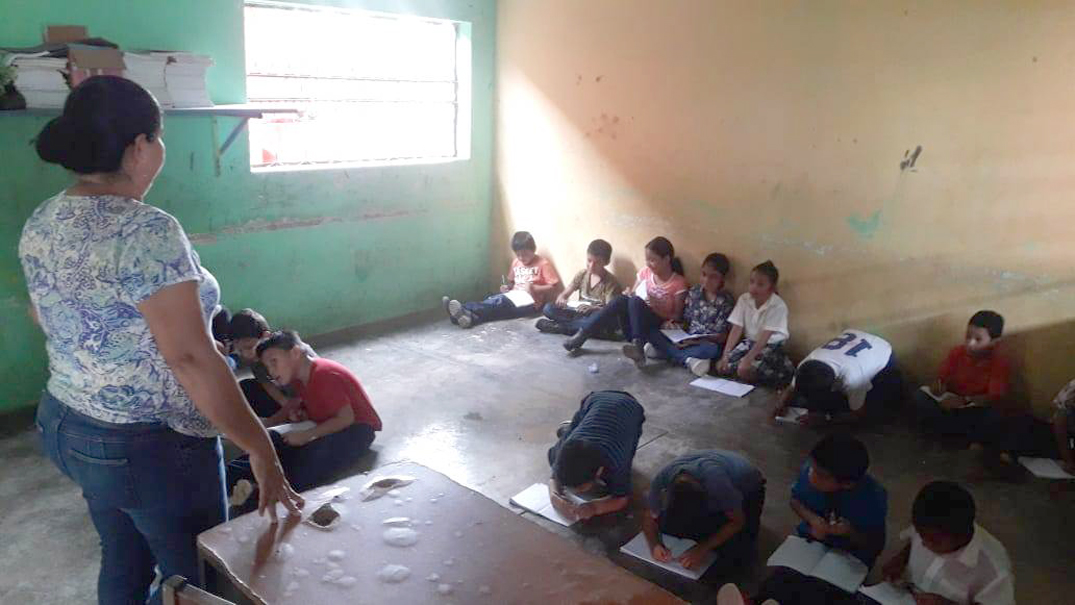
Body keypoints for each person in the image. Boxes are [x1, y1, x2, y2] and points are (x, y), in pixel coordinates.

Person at [19, 76, 301, 605]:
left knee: (123, 555)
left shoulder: (45, 218)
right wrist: (259, 447)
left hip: (68, 425)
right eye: (160, 136)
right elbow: (191, 358)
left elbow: (46, 315)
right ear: (140, 146)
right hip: (149, 445)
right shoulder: (147, 230)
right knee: (196, 577)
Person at [227, 330, 382, 509]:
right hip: (326, 423)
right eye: (267, 366)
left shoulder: (325, 373)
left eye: (274, 362)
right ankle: (227, 476)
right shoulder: (298, 380)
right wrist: (302, 415)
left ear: (295, 353)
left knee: (310, 458)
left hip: (357, 430)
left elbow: (346, 418)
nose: (271, 371)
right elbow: (317, 408)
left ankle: (257, 494)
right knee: (270, 441)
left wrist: (308, 434)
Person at [756, 434, 887, 605]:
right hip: (810, 546)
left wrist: (849, 532)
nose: (811, 475)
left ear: (847, 484)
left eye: (820, 474)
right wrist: (812, 519)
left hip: (849, 555)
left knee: (817, 596)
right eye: (812, 467)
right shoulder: (813, 470)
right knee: (773, 590)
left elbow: (873, 544)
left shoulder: (872, 499)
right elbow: (795, 501)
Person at [879, 481, 1014, 605]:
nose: (924, 544)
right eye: (920, 535)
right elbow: (914, 540)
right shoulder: (929, 525)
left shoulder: (994, 571)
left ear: (961, 535)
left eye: (933, 541)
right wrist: (901, 558)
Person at [562, 237, 689, 368]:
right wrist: (629, 293)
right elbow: (634, 296)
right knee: (621, 300)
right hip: (634, 326)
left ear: (667, 259)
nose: (648, 264)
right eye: (646, 260)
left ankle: (638, 346)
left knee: (634, 301)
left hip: (656, 324)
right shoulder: (645, 273)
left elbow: (677, 317)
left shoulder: (678, 283)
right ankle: (582, 335)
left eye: (652, 260)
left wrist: (655, 306)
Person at [643, 451, 766, 574]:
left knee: (738, 547)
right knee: (671, 526)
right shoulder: (661, 480)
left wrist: (702, 549)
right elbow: (649, 514)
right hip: (712, 463)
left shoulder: (719, 487)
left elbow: (738, 522)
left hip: (750, 486)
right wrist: (655, 544)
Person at [911, 311, 1011, 446]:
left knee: (989, 419)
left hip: (972, 406)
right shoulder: (957, 352)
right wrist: (938, 386)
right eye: (968, 336)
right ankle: (948, 433)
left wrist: (964, 400)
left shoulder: (999, 363)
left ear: (994, 341)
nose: (970, 343)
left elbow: (994, 397)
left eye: (978, 339)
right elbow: (942, 378)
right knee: (920, 396)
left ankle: (948, 434)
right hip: (949, 400)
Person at [546, 391, 645, 520]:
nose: (576, 493)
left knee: (619, 474)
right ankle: (569, 429)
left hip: (629, 408)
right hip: (594, 401)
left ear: (599, 471)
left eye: (581, 488)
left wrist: (594, 507)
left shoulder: (616, 461)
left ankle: (569, 429)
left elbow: (621, 498)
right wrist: (555, 497)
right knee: (567, 438)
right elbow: (554, 476)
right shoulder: (564, 450)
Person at [774, 330, 903, 426]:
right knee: (811, 403)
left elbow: (859, 414)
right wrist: (781, 403)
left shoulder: (853, 378)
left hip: (883, 350)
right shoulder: (807, 364)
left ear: (834, 384)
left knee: (874, 411)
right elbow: (791, 388)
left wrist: (825, 418)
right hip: (854, 340)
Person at [643, 253, 736, 377]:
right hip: (686, 338)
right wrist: (675, 327)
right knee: (652, 332)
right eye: (704, 274)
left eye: (713, 277)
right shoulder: (695, 292)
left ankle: (664, 353)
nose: (706, 280)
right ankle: (689, 360)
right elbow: (686, 320)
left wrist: (693, 342)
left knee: (712, 350)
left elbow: (721, 336)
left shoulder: (726, 300)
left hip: (706, 343)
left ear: (722, 279)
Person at [444, 231, 561, 328]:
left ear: (533, 249)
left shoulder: (543, 264)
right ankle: (467, 318)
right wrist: (507, 287)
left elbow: (554, 287)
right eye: (518, 254)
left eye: (525, 254)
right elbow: (512, 283)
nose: (521, 258)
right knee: (495, 306)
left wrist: (533, 288)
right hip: (513, 297)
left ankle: (463, 309)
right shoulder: (516, 262)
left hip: (531, 304)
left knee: (497, 303)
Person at [715, 260, 795, 387]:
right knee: (723, 367)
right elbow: (737, 328)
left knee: (745, 369)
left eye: (760, 284)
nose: (754, 287)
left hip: (770, 345)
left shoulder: (777, 305)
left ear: (771, 288)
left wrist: (748, 359)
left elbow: (764, 338)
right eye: (751, 282)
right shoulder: (744, 299)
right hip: (749, 342)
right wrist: (726, 355)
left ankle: (767, 385)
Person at [228, 308, 317, 419]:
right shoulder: (255, 359)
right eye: (240, 351)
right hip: (290, 396)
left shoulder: (287, 351)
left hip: (313, 393)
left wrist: (276, 419)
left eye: (249, 347)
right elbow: (268, 385)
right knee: (244, 388)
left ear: (266, 336)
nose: (245, 355)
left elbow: (306, 386)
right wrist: (288, 410)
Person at [536, 238, 622, 337]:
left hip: (593, 317)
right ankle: (578, 328)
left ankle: (559, 327)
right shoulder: (582, 274)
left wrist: (593, 308)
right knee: (548, 308)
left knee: (600, 323)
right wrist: (562, 299)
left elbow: (609, 310)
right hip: (577, 313)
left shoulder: (611, 283)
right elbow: (565, 294)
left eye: (597, 262)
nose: (591, 266)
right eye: (589, 261)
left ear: (606, 262)